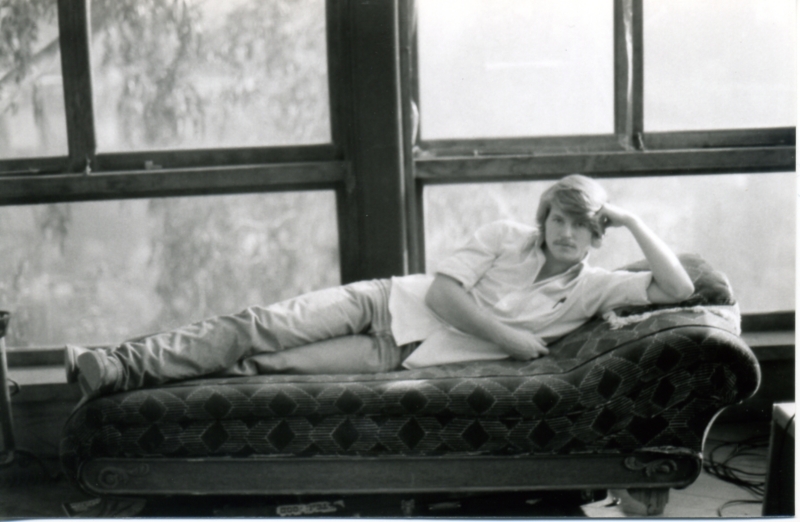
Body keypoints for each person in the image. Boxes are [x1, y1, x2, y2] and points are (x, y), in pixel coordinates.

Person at [65, 174, 694, 398]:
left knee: (265, 364)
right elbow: (444, 295)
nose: (567, 233)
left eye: (582, 225)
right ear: (545, 218)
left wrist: (633, 220)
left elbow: (680, 287)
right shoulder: (507, 235)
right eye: (559, 219)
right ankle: (118, 364)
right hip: (385, 301)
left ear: (597, 234)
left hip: (398, 354)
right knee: (260, 326)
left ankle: (114, 374)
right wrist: (508, 338)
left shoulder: (593, 289)